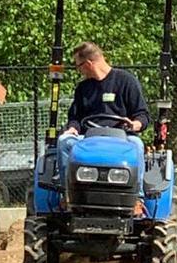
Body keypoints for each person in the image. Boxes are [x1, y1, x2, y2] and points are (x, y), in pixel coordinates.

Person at [57, 42, 150, 171]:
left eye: (78, 66)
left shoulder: (126, 81)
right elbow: (75, 117)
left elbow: (142, 115)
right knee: (64, 142)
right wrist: (73, 128)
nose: (79, 71)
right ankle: (68, 189)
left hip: (121, 137)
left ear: (88, 64)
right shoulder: (83, 88)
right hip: (89, 138)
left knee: (137, 144)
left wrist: (135, 124)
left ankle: (136, 190)